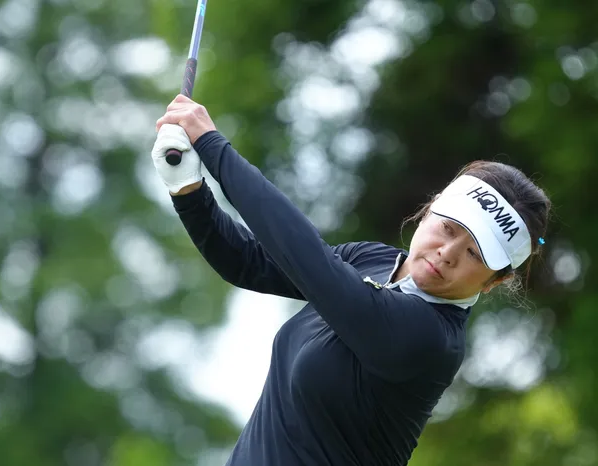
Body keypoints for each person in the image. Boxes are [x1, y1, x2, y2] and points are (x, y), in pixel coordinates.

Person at [152, 94, 551, 466]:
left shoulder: (430, 340)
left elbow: (306, 257)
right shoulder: (372, 260)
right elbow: (249, 262)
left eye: (474, 254)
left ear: (493, 282)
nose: (448, 253)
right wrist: (189, 191)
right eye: (448, 228)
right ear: (430, 210)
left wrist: (213, 146)